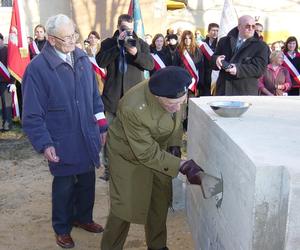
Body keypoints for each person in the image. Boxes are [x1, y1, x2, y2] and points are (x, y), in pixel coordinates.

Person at [22, 14, 108, 249]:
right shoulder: (37, 69)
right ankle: (62, 228)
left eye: (74, 35)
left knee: (88, 181)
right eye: (66, 37)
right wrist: (45, 143)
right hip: (61, 138)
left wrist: (101, 125)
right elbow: (31, 114)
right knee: (64, 186)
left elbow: (94, 97)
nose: (73, 41)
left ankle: (83, 217)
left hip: (87, 133)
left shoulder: (81, 57)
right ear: (51, 39)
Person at [100, 66, 204, 250]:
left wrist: (174, 144)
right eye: (172, 104)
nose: (178, 107)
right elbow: (146, 153)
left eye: (182, 101)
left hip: (159, 151)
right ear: (156, 97)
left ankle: (157, 246)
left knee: (159, 200)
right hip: (128, 155)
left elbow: (176, 121)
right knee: (124, 206)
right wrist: (182, 165)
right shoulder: (133, 106)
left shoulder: (175, 91)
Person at [96, 14, 154, 181]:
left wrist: (135, 53)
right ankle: (109, 169)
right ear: (118, 27)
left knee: (135, 135)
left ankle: (134, 166)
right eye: (123, 29)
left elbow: (149, 65)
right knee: (109, 136)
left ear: (133, 27)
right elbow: (100, 61)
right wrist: (117, 45)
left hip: (134, 99)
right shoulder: (108, 43)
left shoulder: (141, 44)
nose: (127, 32)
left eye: (129, 29)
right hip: (112, 98)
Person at [212, 15, 269, 95]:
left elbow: (259, 69)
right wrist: (216, 60)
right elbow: (213, 60)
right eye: (247, 26)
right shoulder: (224, 41)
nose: (251, 29)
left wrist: (238, 69)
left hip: (244, 92)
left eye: (253, 26)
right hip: (224, 90)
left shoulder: (261, 46)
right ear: (239, 27)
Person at [178, 30, 204, 96]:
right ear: (183, 39)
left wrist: (199, 85)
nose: (187, 40)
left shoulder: (197, 51)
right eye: (185, 38)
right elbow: (176, 66)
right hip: (182, 81)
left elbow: (201, 68)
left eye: (189, 38)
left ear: (192, 39)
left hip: (193, 82)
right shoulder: (178, 50)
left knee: (192, 102)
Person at [201, 23, 219, 96]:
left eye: (217, 31)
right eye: (213, 30)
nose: (215, 33)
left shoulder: (220, 44)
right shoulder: (203, 44)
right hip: (205, 73)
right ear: (208, 31)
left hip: (216, 73)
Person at [0, 33, 12, 131]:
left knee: (6, 104)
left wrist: (12, 82)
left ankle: (7, 124)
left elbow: (11, 67)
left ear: (2, 40)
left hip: (5, 81)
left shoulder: (7, 50)